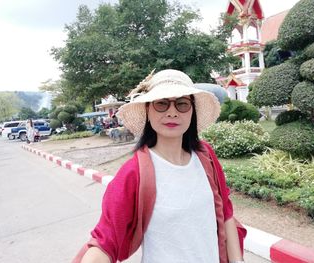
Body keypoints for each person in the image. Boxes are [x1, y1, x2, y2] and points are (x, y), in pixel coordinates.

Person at [73, 69, 246, 263]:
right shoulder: (134, 173)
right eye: (162, 103)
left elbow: (226, 211)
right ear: (147, 110)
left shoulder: (206, 156)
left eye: (182, 104)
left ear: (192, 112)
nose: (172, 112)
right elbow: (106, 241)